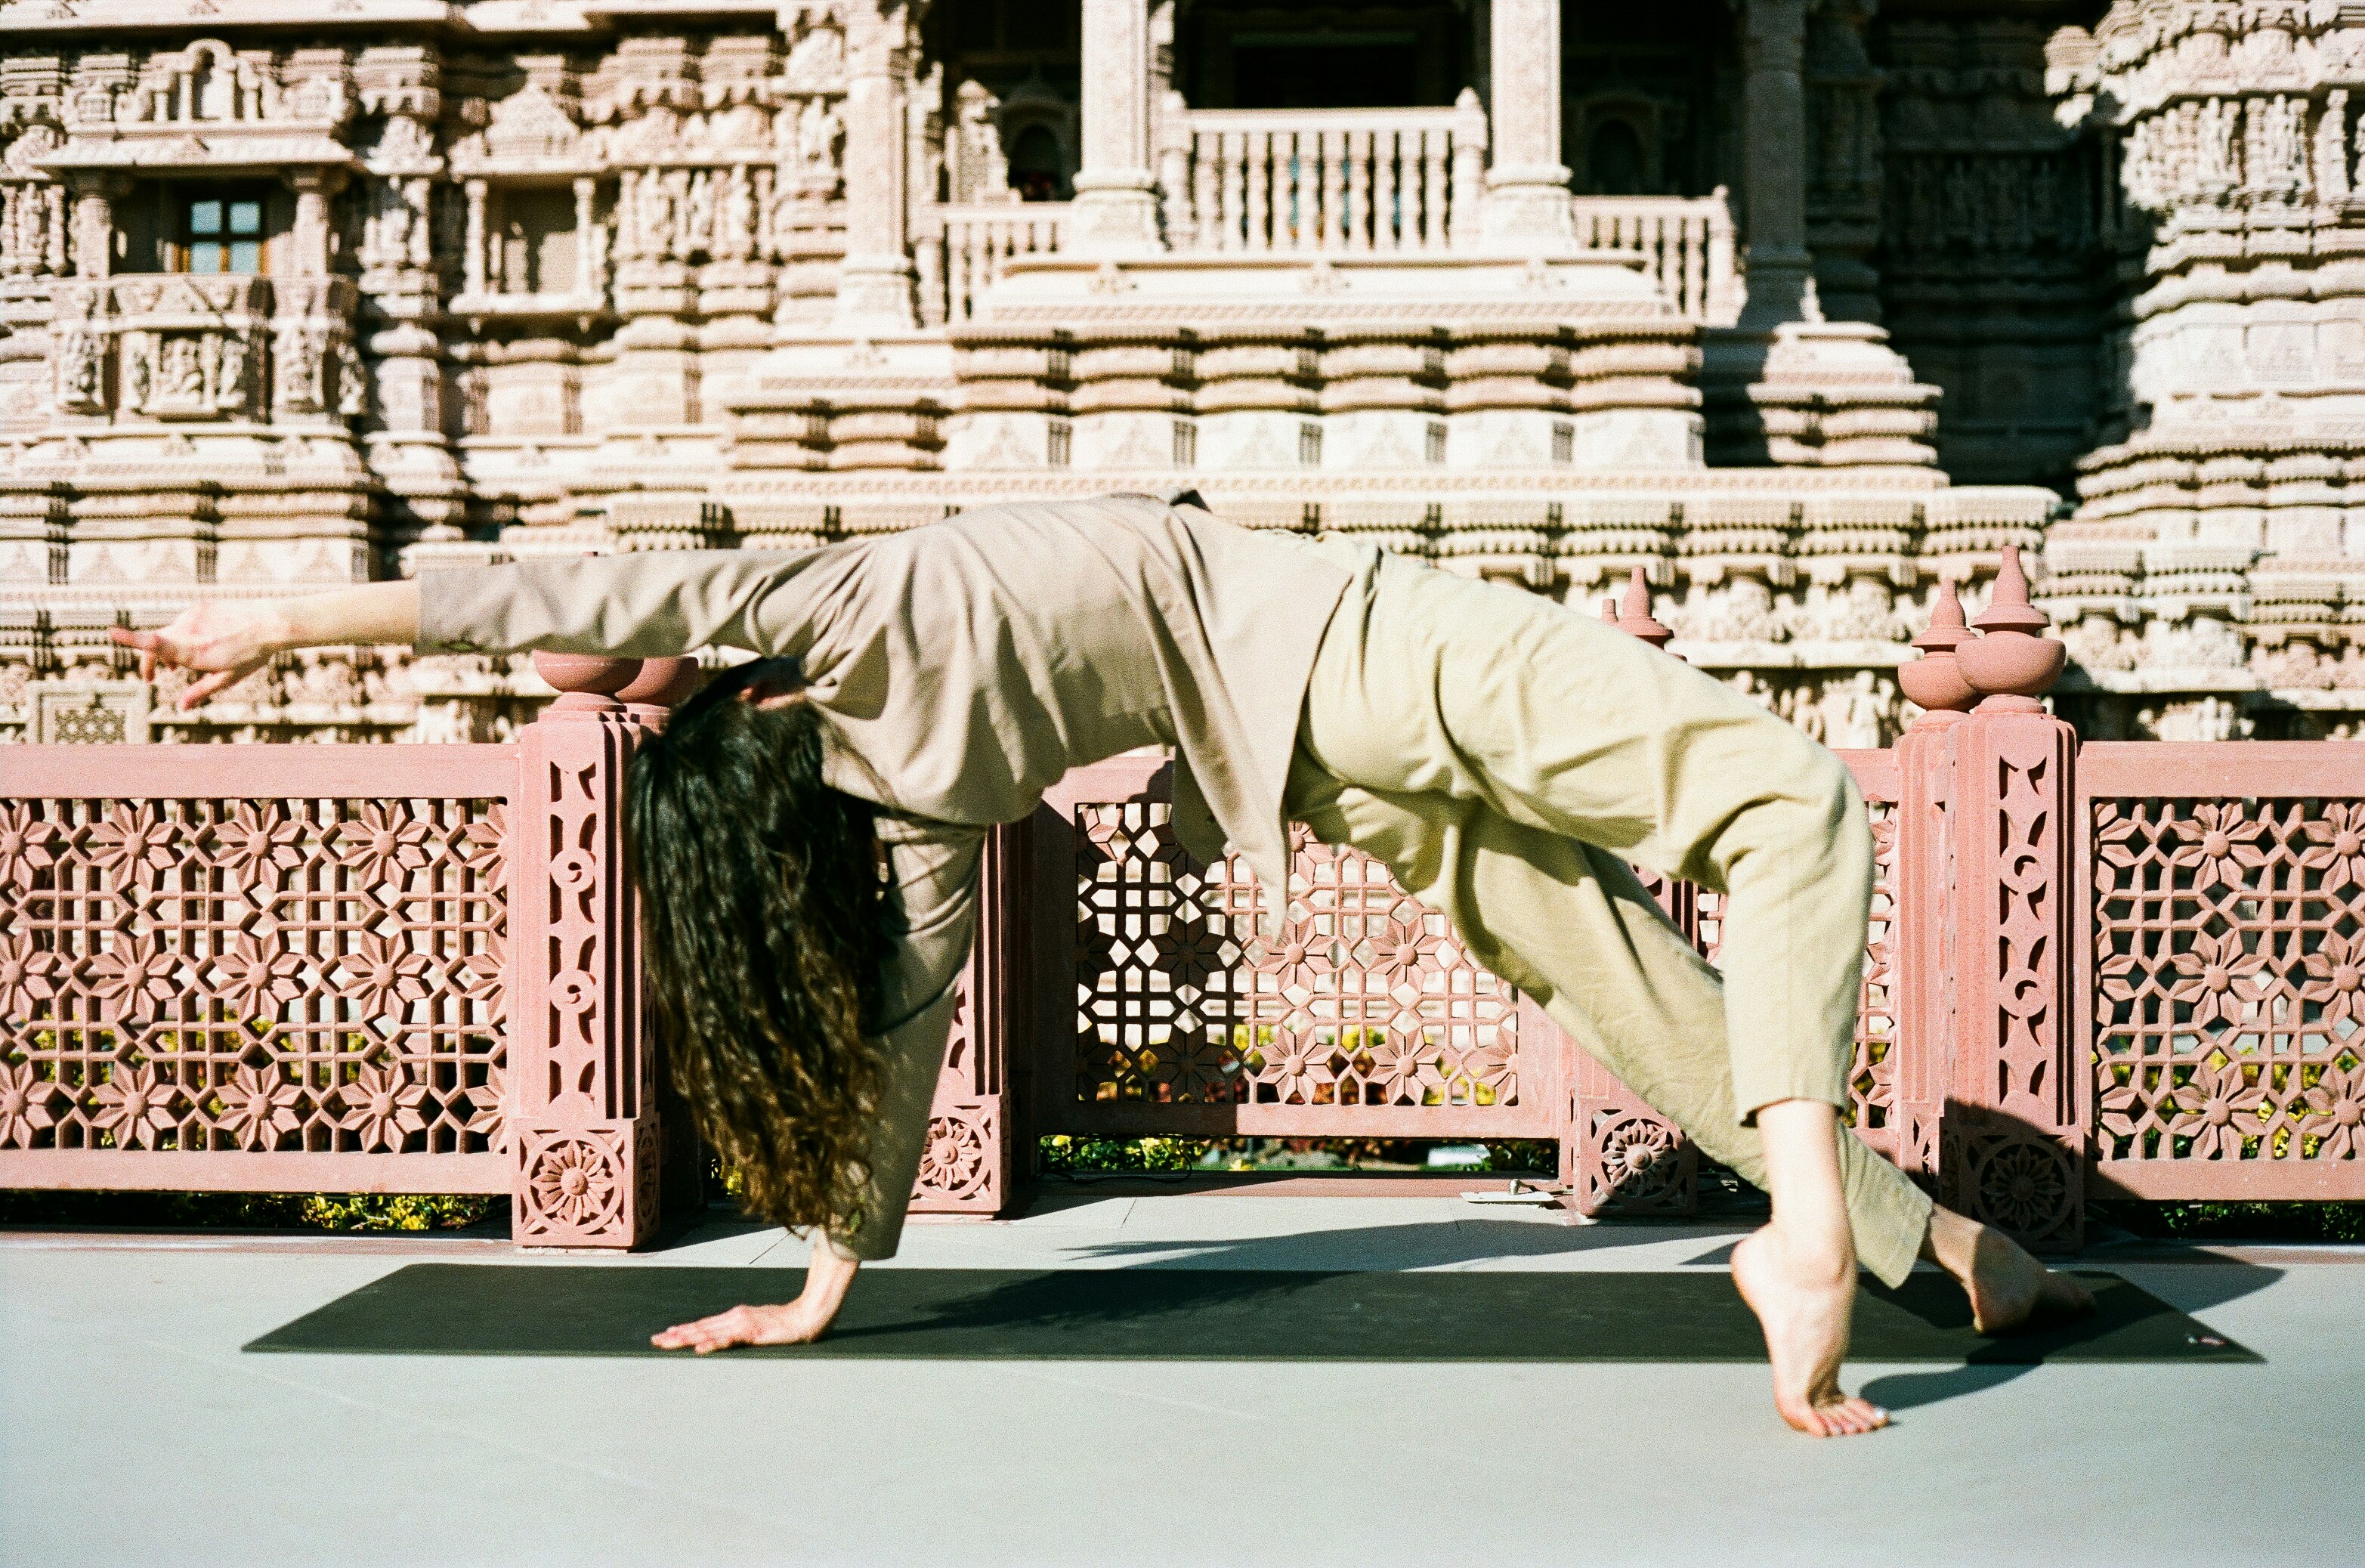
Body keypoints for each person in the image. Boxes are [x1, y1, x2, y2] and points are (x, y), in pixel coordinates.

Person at [114, 491, 2090, 1437]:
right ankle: (1815, 1226)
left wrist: (825, 1276)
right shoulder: (830, 592)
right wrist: (277, 619)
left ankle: (1959, 1257)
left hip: (1316, 767)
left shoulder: (894, 768)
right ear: (688, 648)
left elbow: (906, 1011)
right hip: (1368, 658)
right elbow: (558, 591)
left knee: (1635, 989)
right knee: (1788, 805)